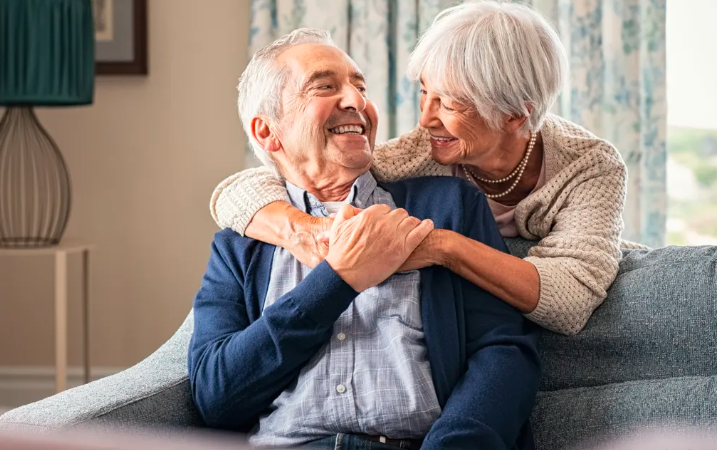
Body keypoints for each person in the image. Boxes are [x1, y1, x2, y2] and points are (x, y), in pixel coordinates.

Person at [189, 29, 540, 449]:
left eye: (360, 86)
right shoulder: (239, 245)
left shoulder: (448, 207)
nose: (356, 101)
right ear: (268, 133)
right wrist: (338, 280)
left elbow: (503, 352)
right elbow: (216, 396)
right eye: (325, 86)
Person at [209, 0, 628, 335]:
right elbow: (245, 188)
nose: (426, 118)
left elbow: (570, 301)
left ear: (515, 115)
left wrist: (442, 247)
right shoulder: (420, 151)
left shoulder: (589, 167)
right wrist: (305, 230)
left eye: (448, 103)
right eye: (425, 93)